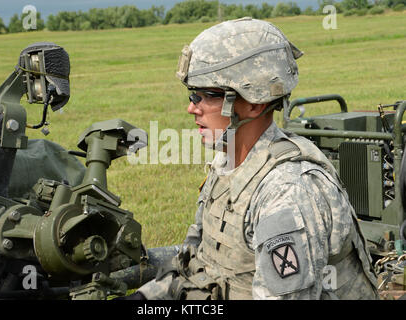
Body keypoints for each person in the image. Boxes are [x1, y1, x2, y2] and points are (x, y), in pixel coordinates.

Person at [129, 17, 379, 300]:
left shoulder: (287, 192)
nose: (191, 108)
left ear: (254, 103)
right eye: (192, 94)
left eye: (206, 95)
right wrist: (146, 299)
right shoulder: (228, 164)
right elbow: (197, 267)